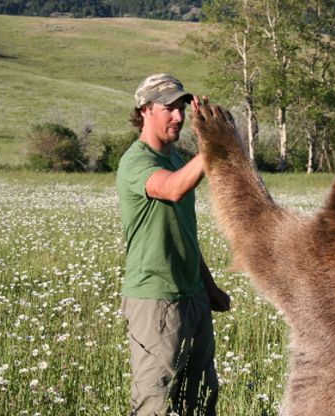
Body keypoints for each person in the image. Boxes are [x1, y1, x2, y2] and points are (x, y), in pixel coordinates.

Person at [116, 73, 231, 416]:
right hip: (156, 301)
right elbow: (172, 188)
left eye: (181, 108)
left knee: (199, 401)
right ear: (145, 110)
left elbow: (186, 236)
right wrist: (213, 143)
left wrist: (209, 287)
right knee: (157, 404)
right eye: (168, 108)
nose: (178, 116)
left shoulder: (178, 160)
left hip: (192, 297)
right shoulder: (136, 162)